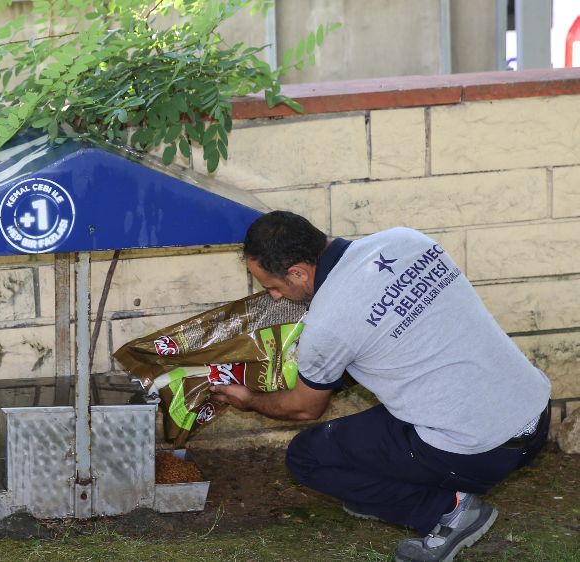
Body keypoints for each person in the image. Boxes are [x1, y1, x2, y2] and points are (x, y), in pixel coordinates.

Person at [210, 211, 551, 562]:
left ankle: (448, 512)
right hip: (535, 416)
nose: (277, 298)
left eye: (273, 287)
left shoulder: (327, 322)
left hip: (481, 451)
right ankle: (386, 493)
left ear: (298, 271)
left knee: (308, 456)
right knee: (382, 421)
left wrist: (250, 399)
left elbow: (304, 407)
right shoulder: (407, 240)